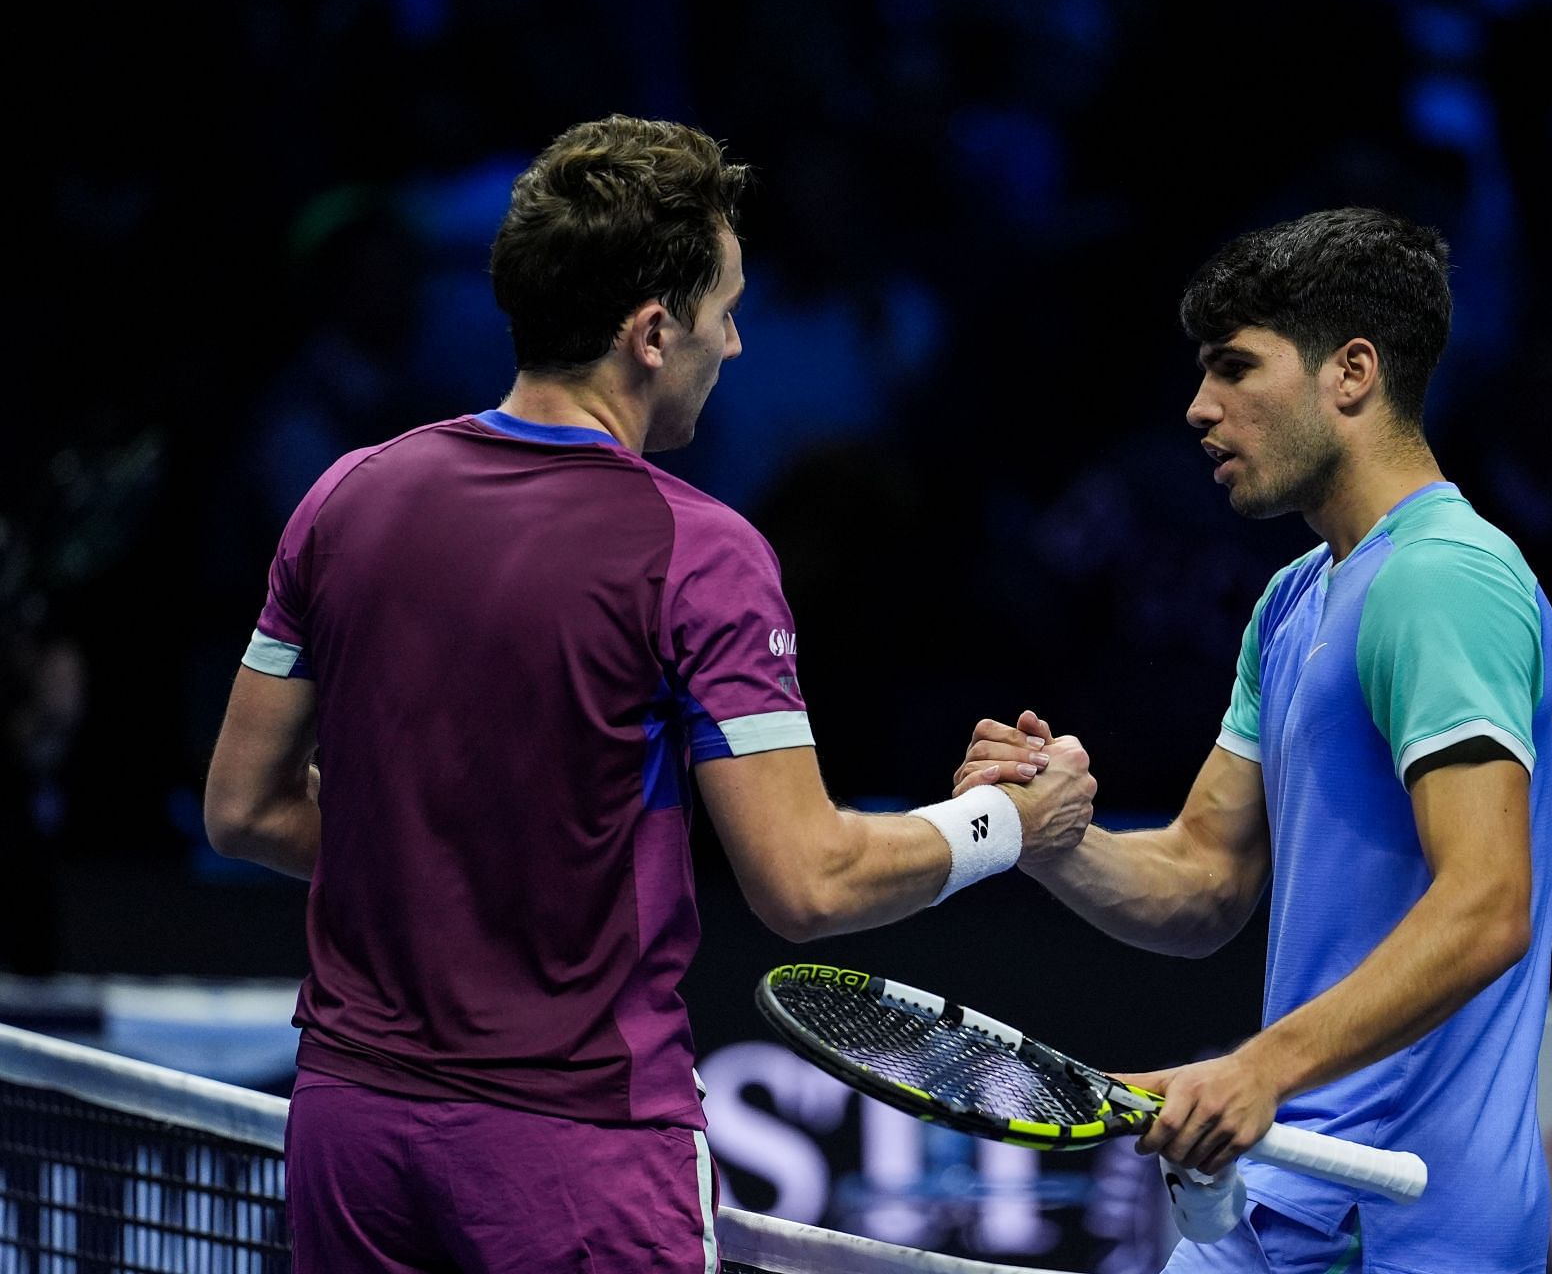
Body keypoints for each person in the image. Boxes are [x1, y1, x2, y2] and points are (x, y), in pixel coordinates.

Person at [203, 114, 1094, 1274]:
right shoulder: (698, 549)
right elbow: (807, 879)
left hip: (351, 1133)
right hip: (572, 1148)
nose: (734, 345)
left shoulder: (348, 496)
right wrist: (1006, 825)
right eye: (723, 312)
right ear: (652, 330)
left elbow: (242, 808)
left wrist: (453, 867)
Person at [959, 209, 1552, 1273]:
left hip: (1407, 1222)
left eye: (1236, 367)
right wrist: (1046, 833)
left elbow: (1488, 902)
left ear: (1353, 372)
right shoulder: (1292, 599)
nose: (1199, 408)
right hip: (1287, 1197)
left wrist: (1260, 1068)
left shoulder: (1445, 578)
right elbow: (1204, 878)